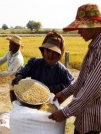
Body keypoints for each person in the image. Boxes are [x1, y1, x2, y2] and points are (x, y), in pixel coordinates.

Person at [49, 3, 101, 134]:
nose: (78, 32)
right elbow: (84, 79)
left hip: (92, 118)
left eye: (81, 27)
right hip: (85, 115)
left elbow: (91, 89)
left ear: (93, 26)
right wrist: (65, 93)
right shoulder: (94, 47)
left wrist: (65, 112)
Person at [11, 31, 74, 101]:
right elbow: (25, 71)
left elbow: (70, 85)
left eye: (54, 52)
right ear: (43, 51)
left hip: (51, 101)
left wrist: (55, 88)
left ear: (59, 55)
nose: (50, 55)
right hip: (33, 97)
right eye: (48, 51)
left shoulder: (62, 70)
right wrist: (19, 76)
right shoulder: (35, 63)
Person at [0, 35, 24, 100]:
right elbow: (1, 61)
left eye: (11, 44)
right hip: (10, 79)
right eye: (9, 43)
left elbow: (9, 72)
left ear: (17, 46)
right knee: (12, 94)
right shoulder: (9, 53)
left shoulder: (18, 58)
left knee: (15, 96)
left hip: (16, 80)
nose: (9, 45)